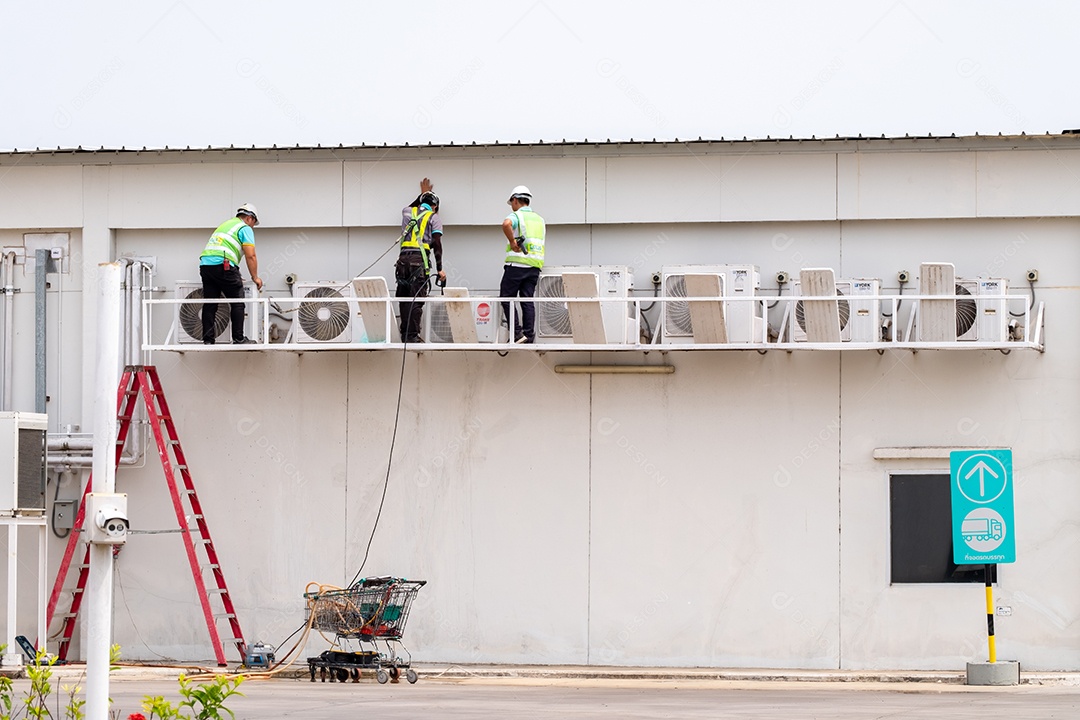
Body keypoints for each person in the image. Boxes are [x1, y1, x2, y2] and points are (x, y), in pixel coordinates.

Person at [199, 203, 263, 344]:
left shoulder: (226, 225)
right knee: (237, 301)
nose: (253, 226)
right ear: (249, 218)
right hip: (223, 265)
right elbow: (250, 255)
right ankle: (239, 338)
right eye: (253, 222)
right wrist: (255, 277)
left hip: (205, 266)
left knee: (210, 303)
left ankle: (208, 340)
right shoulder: (244, 228)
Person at [396, 178, 445, 343]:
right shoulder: (434, 217)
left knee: (403, 298)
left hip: (402, 261)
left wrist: (423, 194)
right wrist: (439, 268)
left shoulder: (407, 212)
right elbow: (437, 244)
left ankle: (404, 334)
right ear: (435, 206)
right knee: (417, 298)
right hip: (419, 261)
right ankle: (412, 336)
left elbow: (413, 205)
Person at [500, 185, 546, 343]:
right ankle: (529, 335)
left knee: (506, 298)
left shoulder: (517, 216)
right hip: (534, 266)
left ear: (515, 200)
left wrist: (512, 241)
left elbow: (506, 224)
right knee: (527, 299)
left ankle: (516, 333)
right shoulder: (540, 219)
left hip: (517, 265)